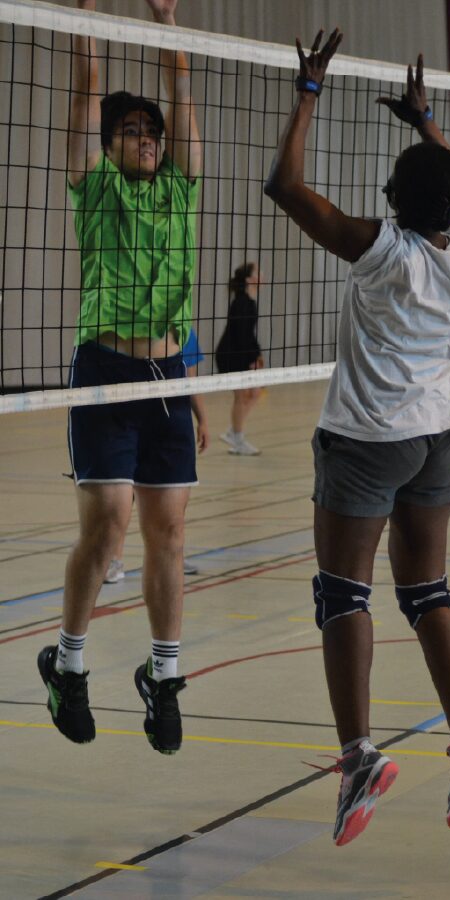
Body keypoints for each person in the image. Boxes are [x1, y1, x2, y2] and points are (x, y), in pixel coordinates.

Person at [264, 31, 450, 846]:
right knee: (427, 590)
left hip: (368, 438)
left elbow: (284, 185)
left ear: (394, 200)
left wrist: (308, 91)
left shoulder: (382, 250)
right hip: (441, 434)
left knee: (344, 595)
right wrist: (429, 121)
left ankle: (359, 755)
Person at [37, 0, 202, 756]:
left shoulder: (180, 189)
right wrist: (90, 36)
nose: (147, 139)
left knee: (168, 533)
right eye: (132, 131)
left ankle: (161, 677)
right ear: (109, 145)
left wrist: (167, 28)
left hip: (166, 374)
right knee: (107, 529)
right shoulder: (95, 188)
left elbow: (184, 97)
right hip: (104, 372)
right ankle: (67, 663)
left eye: (152, 133)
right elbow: (86, 90)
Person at [104, 328, 209, 583]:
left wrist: (202, 419)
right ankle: (113, 559)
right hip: (127, 415)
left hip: (169, 419)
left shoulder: (183, 329)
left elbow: (190, 380)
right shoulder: (120, 324)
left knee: (173, 496)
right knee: (122, 493)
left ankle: (173, 554)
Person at [215, 263, 263, 456]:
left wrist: (256, 354)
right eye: (257, 272)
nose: (261, 274)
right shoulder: (242, 302)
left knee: (255, 392)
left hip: (239, 352)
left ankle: (233, 432)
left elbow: (247, 334)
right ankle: (238, 438)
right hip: (231, 354)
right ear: (249, 279)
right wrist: (253, 357)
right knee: (243, 395)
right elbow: (241, 335)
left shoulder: (248, 300)